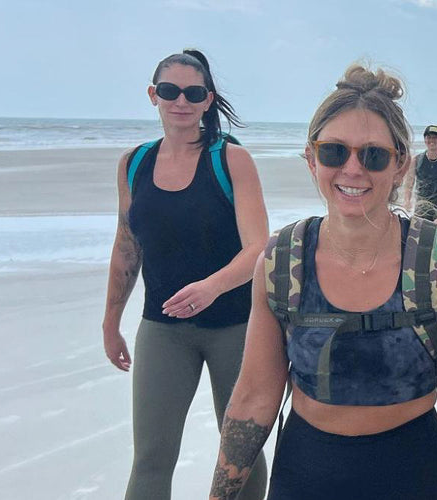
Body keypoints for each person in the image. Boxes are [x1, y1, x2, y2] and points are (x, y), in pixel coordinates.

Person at [207, 63, 437, 500]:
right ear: (311, 158)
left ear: (399, 165)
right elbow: (255, 398)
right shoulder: (281, 263)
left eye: (372, 155)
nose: (352, 169)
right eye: (335, 152)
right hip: (304, 473)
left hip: (413, 474)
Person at [101, 49, 270, 500]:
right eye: (170, 91)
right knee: (151, 459)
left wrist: (211, 288)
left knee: (241, 457)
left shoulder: (230, 160)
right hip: (162, 328)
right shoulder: (133, 165)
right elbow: (126, 246)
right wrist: (110, 322)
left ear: (207, 99)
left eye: (193, 92)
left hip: (236, 327)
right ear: (153, 95)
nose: (181, 101)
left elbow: (259, 248)